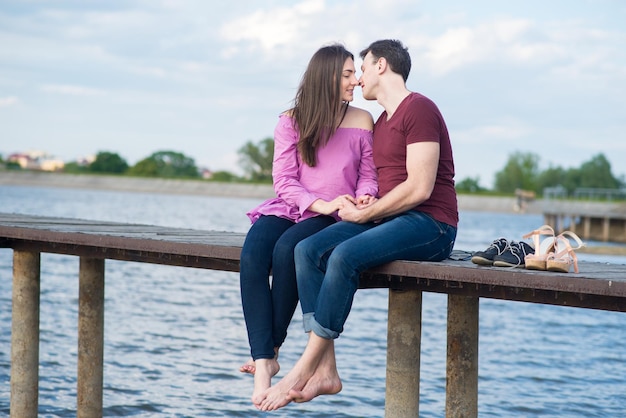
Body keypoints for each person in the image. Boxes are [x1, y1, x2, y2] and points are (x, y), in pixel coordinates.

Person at [256, 39, 458, 411]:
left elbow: (419, 187)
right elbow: (377, 180)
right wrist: (367, 200)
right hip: (389, 218)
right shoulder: (381, 121)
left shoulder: (420, 109)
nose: (358, 78)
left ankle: (302, 368)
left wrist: (368, 211)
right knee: (308, 250)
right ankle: (327, 371)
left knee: (344, 256)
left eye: (362, 68)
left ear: (381, 65)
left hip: (432, 224)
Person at [239, 43, 378, 406]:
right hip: (292, 207)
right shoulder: (291, 120)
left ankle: (272, 347)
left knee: (288, 250)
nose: (356, 81)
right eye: (348, 74)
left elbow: (368, 175)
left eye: (355, 74)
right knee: (253, 254)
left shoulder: (362, 120)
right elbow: (284, 180)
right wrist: (317, 201)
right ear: (327, 77)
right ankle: (264, 360)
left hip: (332, 215)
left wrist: (363, 196)